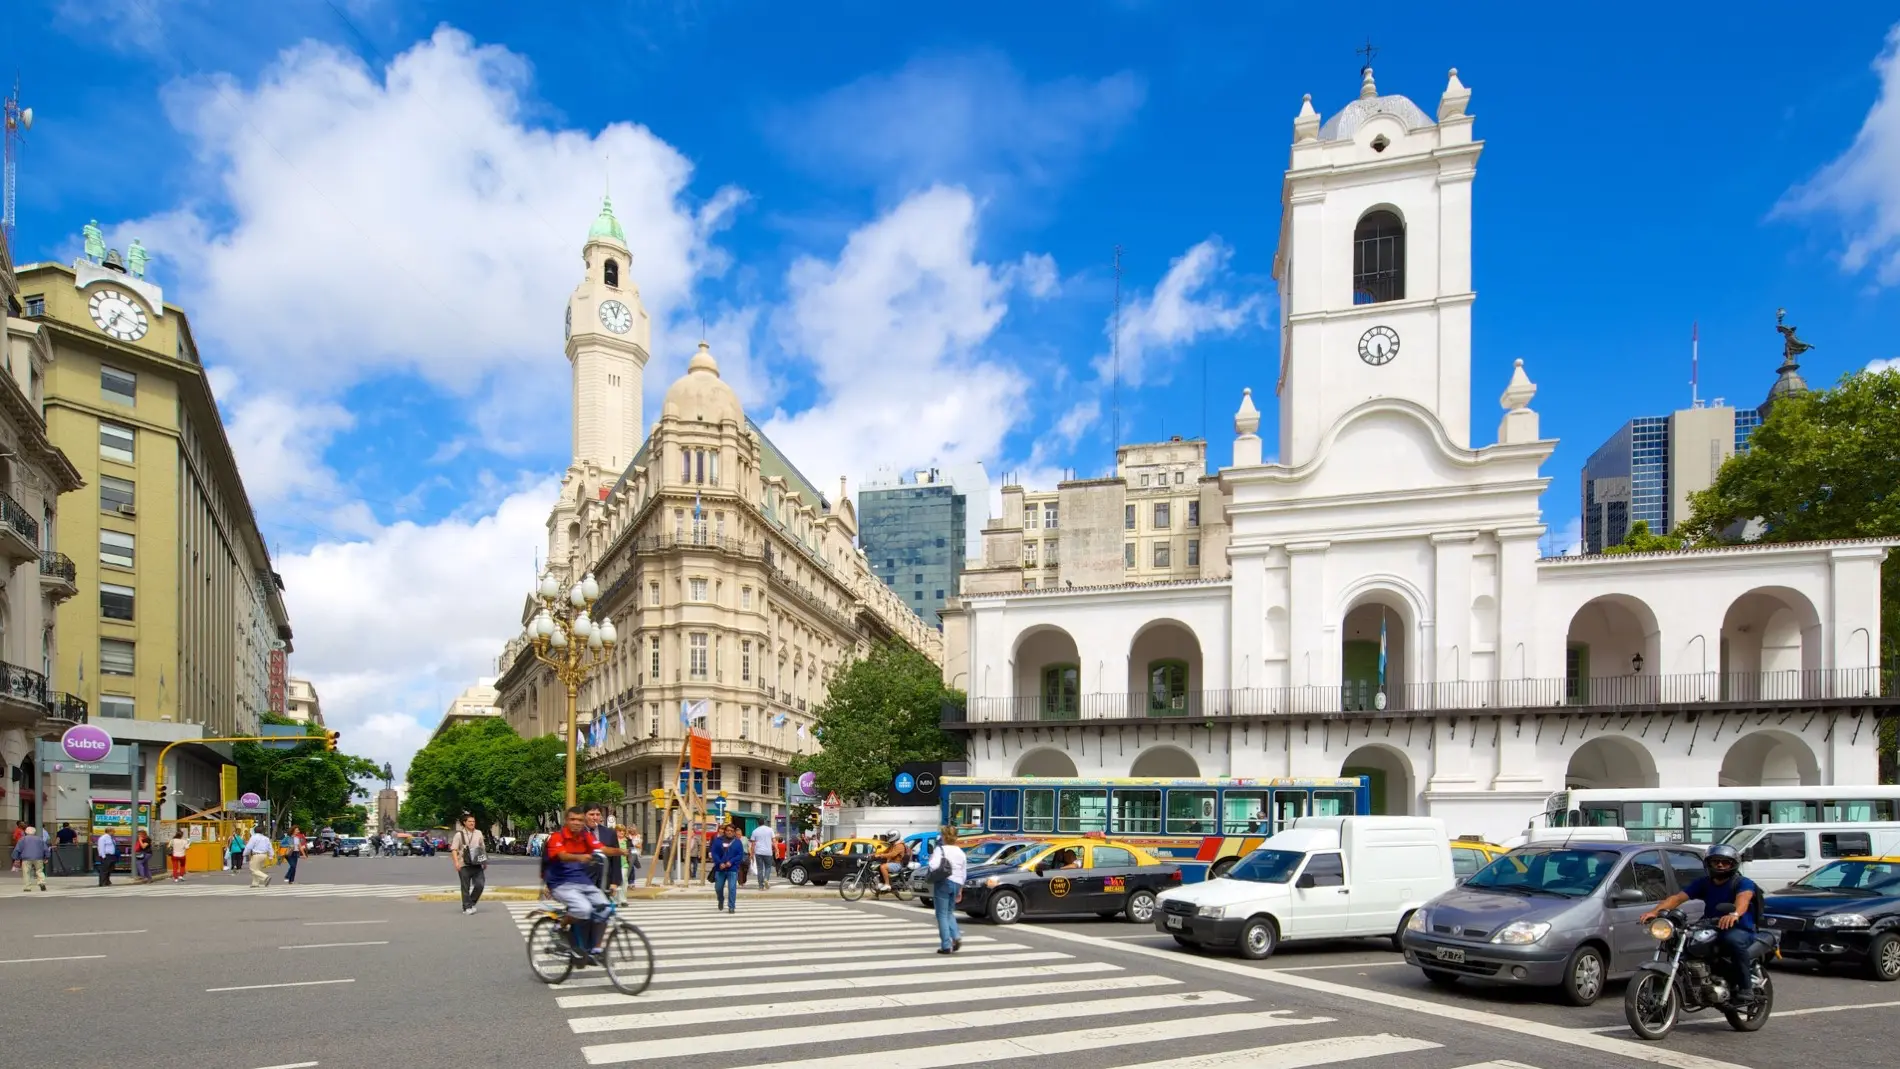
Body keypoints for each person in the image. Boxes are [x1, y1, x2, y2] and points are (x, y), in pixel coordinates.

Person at [1641, 843, 1763, 1003]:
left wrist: (1735, 913)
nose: (1720, 865)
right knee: (1683, 941)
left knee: (1731, 941)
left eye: (1725, 862)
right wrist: (1655, 912)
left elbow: (1743, 899)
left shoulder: (1742, 882)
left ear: (1733, 865)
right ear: (1708, 863)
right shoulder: (1704, 883)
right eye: (1715, 861)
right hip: (1711, 925)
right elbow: (1677, 898)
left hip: (1739, 928)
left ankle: (1746, 988)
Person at [543, 806, 621, 960]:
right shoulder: (558, 837)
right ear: (566, 820)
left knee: (604, 910)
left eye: (598, 814)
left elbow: (607, 852)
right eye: (573, 819)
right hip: (565, 882)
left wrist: (624, 853)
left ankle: (596, 950)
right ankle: (564, 934)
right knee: (582, 911)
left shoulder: (596, 835)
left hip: (587, 882)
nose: (577, 823)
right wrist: (579, 857)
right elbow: (559, 857)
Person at [926, 825, 968, 955]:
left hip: (943, 882)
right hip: (956, 883)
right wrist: (960, 889)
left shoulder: (940, 850)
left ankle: (946, 945)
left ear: (943, 836)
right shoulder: (961, 852)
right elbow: (963, 872)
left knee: (941, 914)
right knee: (949, 912)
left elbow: (933, 866)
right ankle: (956, 936)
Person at [449, 813, 488, 914]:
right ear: (464, 823)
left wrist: (484, 861)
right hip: (464, 864)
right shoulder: (459, 835)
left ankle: (472, 902)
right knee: (465, 887)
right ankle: (466, 907)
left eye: (473, 821)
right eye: (470, 821)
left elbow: (482, 847)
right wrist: (456, 862)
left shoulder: (478, 833)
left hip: (477, 863)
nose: (472, 823)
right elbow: (454, 849)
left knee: (480, 884)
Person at [583, 806, 622, 902]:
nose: (595, 817)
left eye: (598, 814)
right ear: (584, 816)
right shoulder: (577, 833)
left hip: (604, 881)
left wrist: (615, 882)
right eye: (591, 814)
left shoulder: (609, 833)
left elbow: (616, 858)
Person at [708, 823, 746, 912]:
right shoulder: (718, 841)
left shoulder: (737, 842)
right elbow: (714, 853)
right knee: (718, 887)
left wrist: (731, 862)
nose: (729, 832)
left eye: (731, 831)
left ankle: (731, 906)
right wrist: (719, 862)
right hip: (720, 869)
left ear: (734, 832)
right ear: (725, 831)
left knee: (732, 888)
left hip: (732, 869)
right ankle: (720, 900)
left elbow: (740, 855)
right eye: (728, 830)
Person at [12, 826, 49, 891]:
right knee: (39, 870)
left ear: (26, 832)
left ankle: (27, 887)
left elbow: (17, 849)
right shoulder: (39, 839)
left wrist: (16, 858)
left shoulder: (22, 839)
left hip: (26, 858)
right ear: (34, 832)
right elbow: (45, 849)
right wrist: (46, 857)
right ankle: (41, 882)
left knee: (26, 872)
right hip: (38, 857)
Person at [750, 822, 776, 890]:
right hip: (768, 852)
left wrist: (752, 854)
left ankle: (761, 886)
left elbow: (753, 844)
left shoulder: (755, 831)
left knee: (760, 869)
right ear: (764, 822)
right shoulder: (770, 830)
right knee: (768, 867)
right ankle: (766, 878)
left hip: (758, 852)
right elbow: (774, 841)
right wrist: (777, 850)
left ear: (758, 823)